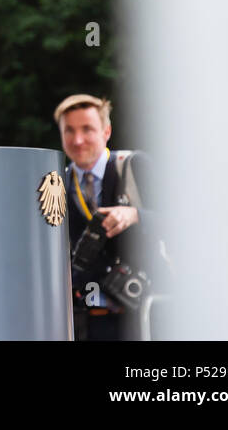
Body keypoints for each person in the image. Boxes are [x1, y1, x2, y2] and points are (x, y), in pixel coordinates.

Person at [55, 93, 151, 341]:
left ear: (106, 132)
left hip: (143, 314)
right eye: (69, 131)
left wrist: (135, 214)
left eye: (87, 129)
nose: (77, 140)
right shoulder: (58, 183)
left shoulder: (133, 166)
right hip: (88, 321)